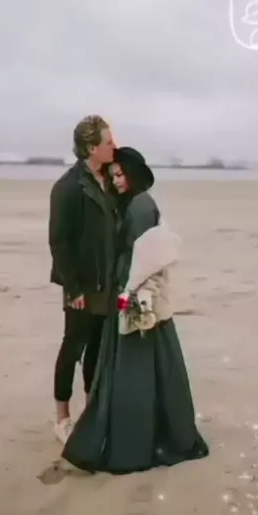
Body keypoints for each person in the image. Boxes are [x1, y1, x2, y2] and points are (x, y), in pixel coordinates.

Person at [62, 146, 209, 473]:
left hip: (135, 297)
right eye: (112, 176)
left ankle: (134, 443)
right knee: (146, 370)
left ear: (134, 173)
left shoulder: (141, 205)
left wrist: (130, 295)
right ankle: (144, 435)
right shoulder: (135, 203)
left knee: (136, 372)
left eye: (120, 175)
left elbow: (147, 261)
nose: (116, 181)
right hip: (130, 293)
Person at [49, 115, 117, 444]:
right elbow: (58, 242)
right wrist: (73, 287)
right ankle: (62, 419)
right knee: (73, 348)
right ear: (91, 147)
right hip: (80, 286)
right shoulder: (68, 187)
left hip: (107, 283)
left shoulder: (110, 180)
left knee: (98, 351)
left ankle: (91, 412)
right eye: (108, 142)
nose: (113, 146)